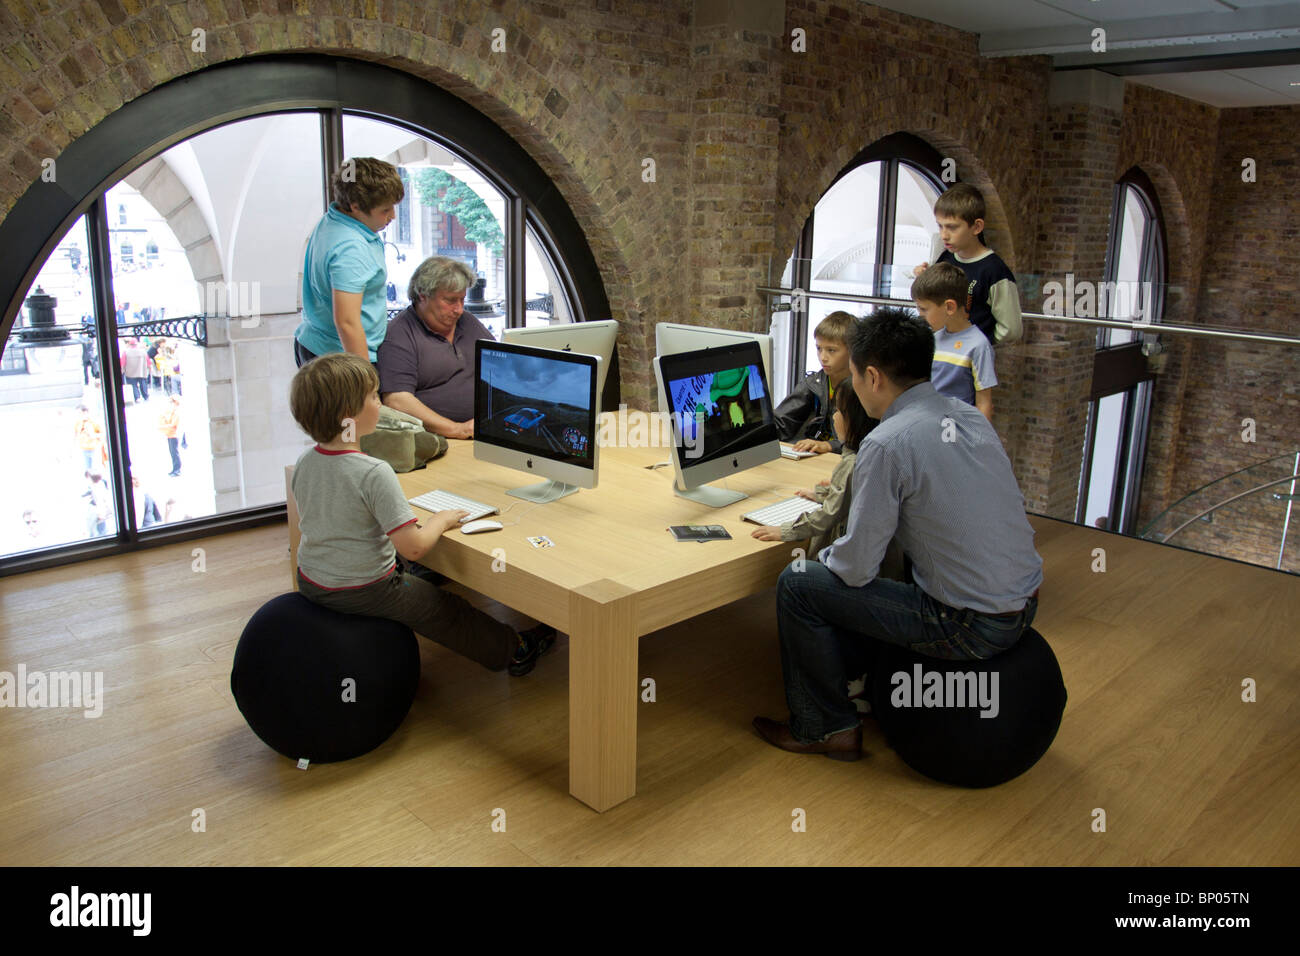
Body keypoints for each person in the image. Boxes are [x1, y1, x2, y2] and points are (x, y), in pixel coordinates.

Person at [752, 308, 1042, 760]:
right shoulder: (968, 418)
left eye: (850, 374)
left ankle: (825, 727)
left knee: (798, 583)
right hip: (1025, 604)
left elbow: (855, 567)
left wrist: (820, 556)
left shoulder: (887, 443)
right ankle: (857, 681)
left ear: (872, 376)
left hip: (969, 626)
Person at [288, 352, 556, 676]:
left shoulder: (305, 462)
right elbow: (412, 548)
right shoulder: (373, 472)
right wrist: (439, 521)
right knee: (450, 611)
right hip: (364, 589)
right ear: (349, 415)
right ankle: (515, 650)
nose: (380, 403)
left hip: (312, 579)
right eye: (373, 397)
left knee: (416, 573)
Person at [294, 157, 403, 367]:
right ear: (355, 207)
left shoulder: (332, 219)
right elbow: (347, 323)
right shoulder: (351, 249)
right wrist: (364, 381)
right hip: (340, 359)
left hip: (315, 344)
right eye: (385, 210)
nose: (393, 216)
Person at [750, 380, 875, 559]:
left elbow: (828, 515)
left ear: (855, 419)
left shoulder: (851, 463)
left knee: (792, 577)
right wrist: (824, 494)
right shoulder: (864, 454)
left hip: (835, 558)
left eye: (838, 411)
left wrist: (785, 530)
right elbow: (849, 495)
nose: (834, 416)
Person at [376, 256, 495, 439]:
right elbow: (397, 401)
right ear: (423, 295)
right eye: (450, 300)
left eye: (462, 300)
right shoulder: (399, 335)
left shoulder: (467, 322)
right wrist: (457, 429)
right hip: (440, 438)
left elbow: (498, 363)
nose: (459, 309)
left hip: (485, 429)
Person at [912, 183, 1022, 345]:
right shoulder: (944, 257)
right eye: (940, 226)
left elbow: (1011, 329)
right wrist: (923, 277)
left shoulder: (994, 270)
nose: (944, 235)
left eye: (952, 228)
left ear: (977, 227)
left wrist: (977, 343)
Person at [912, 262, 996, 423]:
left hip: (955, 432)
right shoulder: (933, 338)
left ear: (949, 307)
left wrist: (977, 443)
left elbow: (984, 403)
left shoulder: (978, 345)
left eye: (924, 309)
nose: (920, 315)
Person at [773, 311, 856, 454]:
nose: (823, 357)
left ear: (852, 350)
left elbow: (863, 442)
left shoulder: (863, 389)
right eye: (819, 348)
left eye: (831, 350)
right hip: (813, 458)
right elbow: (782, 423)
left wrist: (830, 446)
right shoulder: (814, 383)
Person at [73, 405, 103, 473]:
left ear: (85, 412)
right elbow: (75, 435)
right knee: (87, 471)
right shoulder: (78, 423)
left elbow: (102, 434)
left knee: (97, 471)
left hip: (94, 449)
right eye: (77, 414)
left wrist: (93, 435)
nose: (79, 415)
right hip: (83, 449)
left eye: (80, 413)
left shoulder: (94, 422)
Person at [122, 338, 150, 403]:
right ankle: (145, 396)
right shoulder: (143, 351)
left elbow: (123, 363)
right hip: (141, 371)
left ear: (130, 344)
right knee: (143, 384)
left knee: (133, 385)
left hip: (130, 372)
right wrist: (149, 368)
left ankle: (137, 397)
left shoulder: (126, 352)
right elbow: (148, 361)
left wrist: (122, 370)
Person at [160, 395, 182, 476]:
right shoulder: (172, 412)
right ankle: (174, 469)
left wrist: (165, 426)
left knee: (174, 453)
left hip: (174, 435)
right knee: (172, 453)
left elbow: (173, 424)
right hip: (170, 434)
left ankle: (177, 469)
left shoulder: (176, 412)